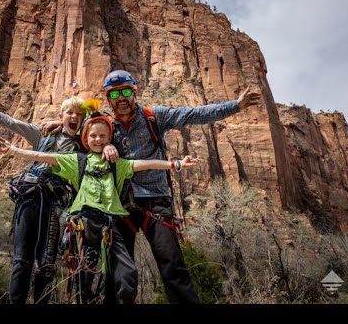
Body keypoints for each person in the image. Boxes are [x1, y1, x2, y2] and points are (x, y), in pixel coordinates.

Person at [0, 99, 200, 304]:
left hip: (112, 225)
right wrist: (12, 150)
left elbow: (145, 164)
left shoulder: (118, 163)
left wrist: (177, 164)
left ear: (110, 138)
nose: (98, 139)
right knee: (82, 277)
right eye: (93, 136)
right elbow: (41, 156)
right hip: (85, 224)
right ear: (85, 138)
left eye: (103, 136)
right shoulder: (77, 160)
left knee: (127, 277)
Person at [100, 69, 261, 304]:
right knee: (118, 273)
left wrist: (235, 106)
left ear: (134, 92)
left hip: (156, 202)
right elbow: (80, 134)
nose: (121, 98)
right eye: (114, 94)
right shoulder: (104, 125)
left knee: (173, 267)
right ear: (108, 98)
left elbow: (194, 114)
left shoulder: (154, 117)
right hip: (121, 204)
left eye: (126, 91)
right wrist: (101, 145)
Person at [0, 89, 86, 304]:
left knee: (47, 263)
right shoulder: (41, 133)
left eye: (80, 114)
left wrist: (60, 123)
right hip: (29, 198)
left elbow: (104, 123)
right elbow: (8, 122)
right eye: (70, 113)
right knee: (22, 259)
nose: (75, 117)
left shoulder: (87, 143)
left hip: (55, 204)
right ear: (62, 116)